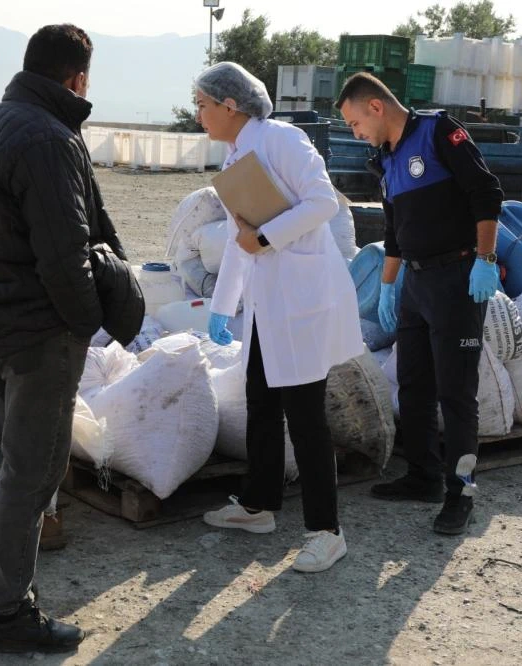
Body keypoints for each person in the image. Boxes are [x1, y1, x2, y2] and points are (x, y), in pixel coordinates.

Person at [0, 24, 142, 653]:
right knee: (33, 471)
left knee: (19, 466)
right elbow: (65, 257)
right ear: (76, 78)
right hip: (37, 333)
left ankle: (6, 601)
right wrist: (82, 325)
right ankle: (8, 615)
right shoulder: (50, 140)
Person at [197, 62, 363, 573]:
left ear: (231, 105)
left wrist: (266, 238)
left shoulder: (283, 140)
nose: (197, 113)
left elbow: (322, 204)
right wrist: (223, 307)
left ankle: (326, 530)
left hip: (302, 301)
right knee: (262, 404)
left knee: (306, 416)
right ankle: (259, 505)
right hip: (270, 306)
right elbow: (237, 239)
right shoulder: (235, 154)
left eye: (202, 104)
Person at [335, 73, 503, 535]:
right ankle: (424, 476)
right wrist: (389, 287)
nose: (355, 132)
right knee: (413, 388)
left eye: (353, 123)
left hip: (458, 280)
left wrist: (486, 259)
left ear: (375, 107)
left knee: (456, 395)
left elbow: (486, 192)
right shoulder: (387, 162)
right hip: (415, 283)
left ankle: (460, 492)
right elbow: (394, 234)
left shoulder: (437, 132)